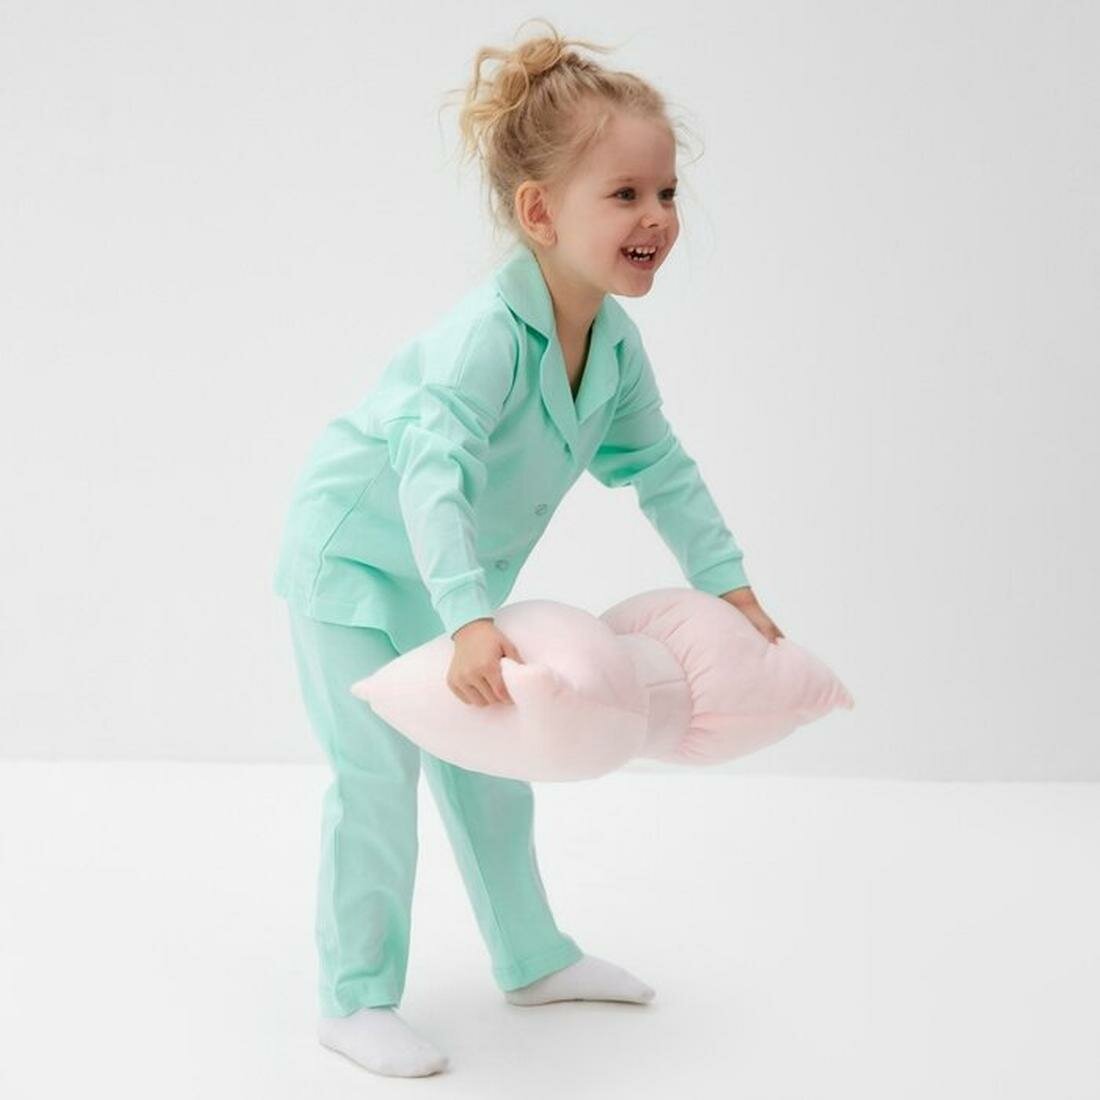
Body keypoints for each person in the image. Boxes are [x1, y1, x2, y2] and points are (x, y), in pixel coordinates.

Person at [273, 17, 784, 1079]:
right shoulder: (482, 340)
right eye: (625, 194)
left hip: (450, 584)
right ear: (540, 212)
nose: (656, 216)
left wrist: (727, 589)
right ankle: (353, 998)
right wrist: (468, 620)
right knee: (377, 780)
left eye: (667, 191)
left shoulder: (614, 349)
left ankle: (531, 956)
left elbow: (662, 468)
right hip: (355, 568)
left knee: (494, 773)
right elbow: (430, 476)